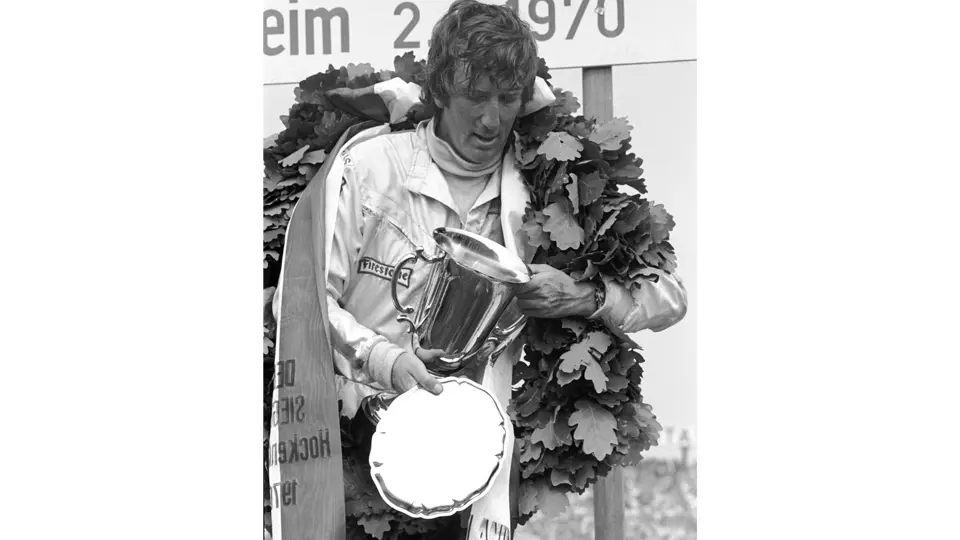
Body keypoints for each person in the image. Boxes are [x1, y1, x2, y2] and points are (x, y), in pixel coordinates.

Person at [319, 0, 687, 535]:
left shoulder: (552, 184)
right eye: (475, 97)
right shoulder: (368, 169)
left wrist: (581, 296)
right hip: (356, 455)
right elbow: (304, 304)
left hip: (479, 473)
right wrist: (386, 360)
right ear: (440, 89)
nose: (492, 119)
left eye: (507, 98)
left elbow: (670, 296)